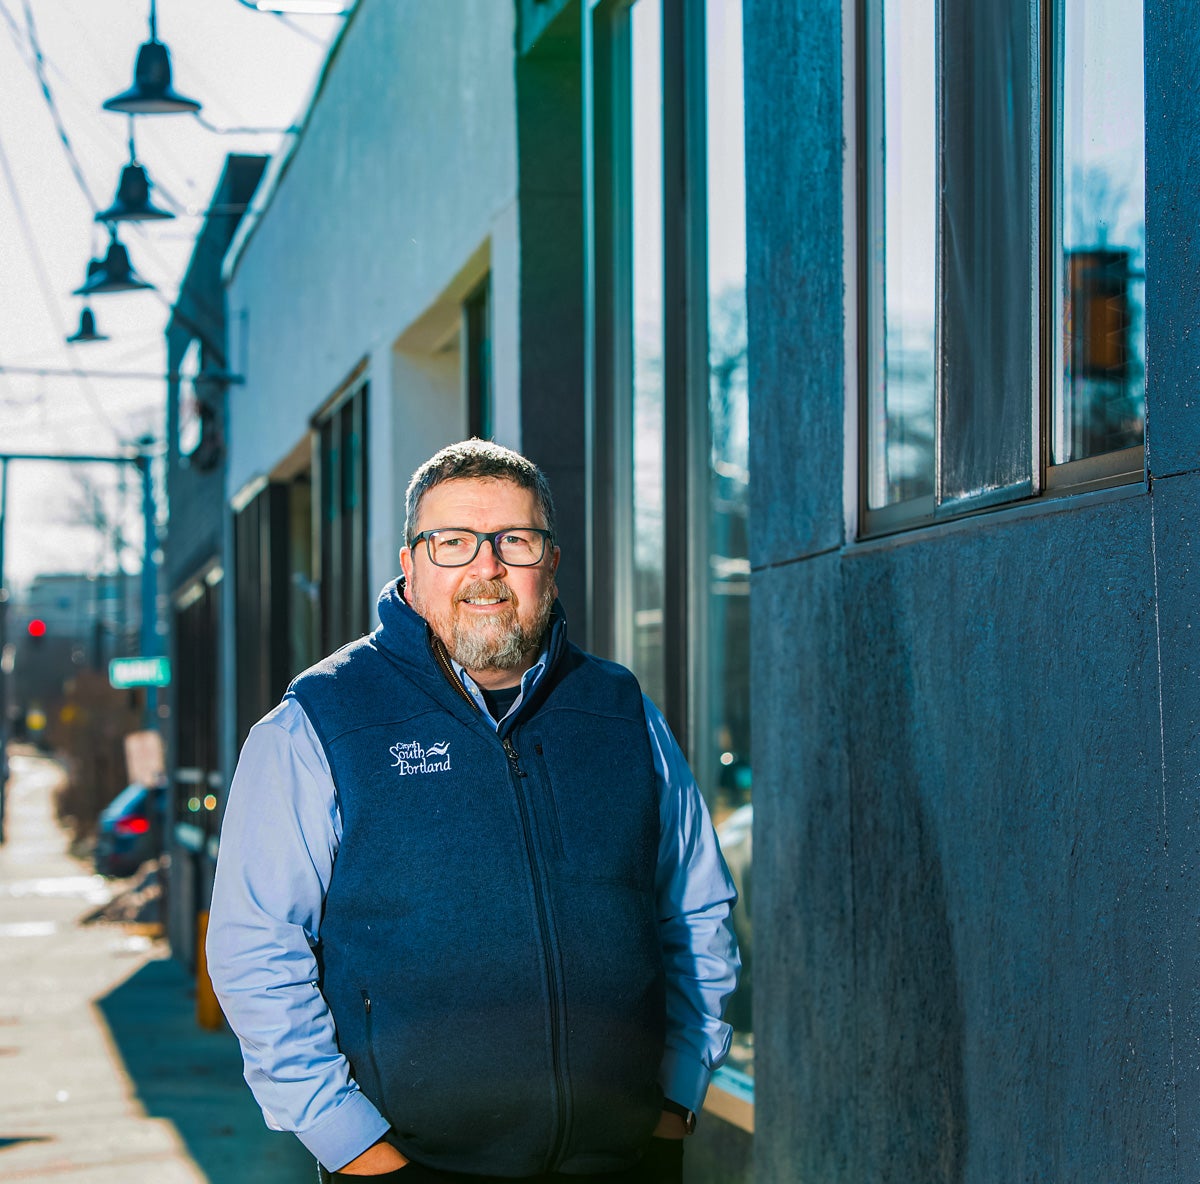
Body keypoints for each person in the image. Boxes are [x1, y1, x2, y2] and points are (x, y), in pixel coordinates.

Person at [206, 440, 740, 1183]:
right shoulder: (320, 721)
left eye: (515, 541)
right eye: (453, 542)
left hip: (626, 1159)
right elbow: (257, 949)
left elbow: (695, 910)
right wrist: (350, 1144)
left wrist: (677, 1095)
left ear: (551, 562)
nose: (486, 567)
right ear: (411, 565)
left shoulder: (622, 712)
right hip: (409, 1165)